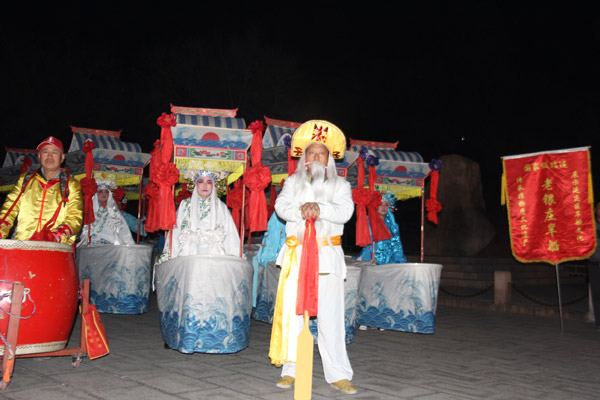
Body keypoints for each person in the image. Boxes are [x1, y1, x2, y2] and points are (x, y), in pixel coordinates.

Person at [269, 120, 357, 395]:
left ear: (329, 158)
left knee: (331, 317)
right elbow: (282, 207)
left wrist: (319, 207)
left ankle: (338, 374)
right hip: (297, 256)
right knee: (296, 315)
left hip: (327, 257)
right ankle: (291, 370)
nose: (316, 157)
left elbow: (345, 213)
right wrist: (302, 209)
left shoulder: (341, 185)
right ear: (304, 158)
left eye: (321, 153)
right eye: (311, 153)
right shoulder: (292, 183)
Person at [0, 136, 83, 245]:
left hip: (56, 247)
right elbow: (9, 209)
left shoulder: (71, 185)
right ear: (39, 156)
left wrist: (57, 236)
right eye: (45, 152)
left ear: (62, 158)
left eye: (54, 152)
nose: (49, 156)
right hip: (24, 243)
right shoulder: (25, 179)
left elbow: (75, 217)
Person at [156, 170, 240, 263]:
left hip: (215, 255)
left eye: (209, 182)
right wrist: (169, 255)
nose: (205, 186)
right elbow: (176, 231)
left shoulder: (221, 207)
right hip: (189, 253)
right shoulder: (185, 204)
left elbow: (230, 234)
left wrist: (235, 256)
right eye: (201, 182)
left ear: (214, 185)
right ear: (195, 184)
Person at [77, 180, 135, 246]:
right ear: (96, 194)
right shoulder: (89, 211)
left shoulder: (115, 213)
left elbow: (124, 231)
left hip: (110, 244)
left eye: (106, 192)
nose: (104, 194)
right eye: (101, 191)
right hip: (91, 243)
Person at [359, 192, 408, 264]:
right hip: (372, 256)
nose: (383, 207)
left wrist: (398, 258)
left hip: (389, 258)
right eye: (380, 205)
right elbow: (367, 241)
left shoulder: (392, 225)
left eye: (386, 205)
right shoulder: (368, 221)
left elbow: (397, 245)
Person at [588, 201, 600, 329]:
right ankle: (598, 321)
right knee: (596, 294)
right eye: (599, 208)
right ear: (596, 209)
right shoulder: (591, 225)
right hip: (594, 264)